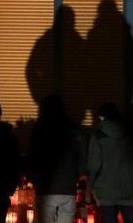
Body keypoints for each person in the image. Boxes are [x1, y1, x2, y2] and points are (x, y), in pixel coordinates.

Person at [28, 95, 85, 223]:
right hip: (68, 188)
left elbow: (31, 157)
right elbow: (81, 159)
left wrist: (32, 178)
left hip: (45, 189)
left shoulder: (39, 129)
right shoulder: (73, 129)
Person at [87, 103, 133, 223]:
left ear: (101, 117)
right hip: (129, 187)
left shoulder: (98, 136)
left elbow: (94, 165)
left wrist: (91, 186)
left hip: (105, 189)